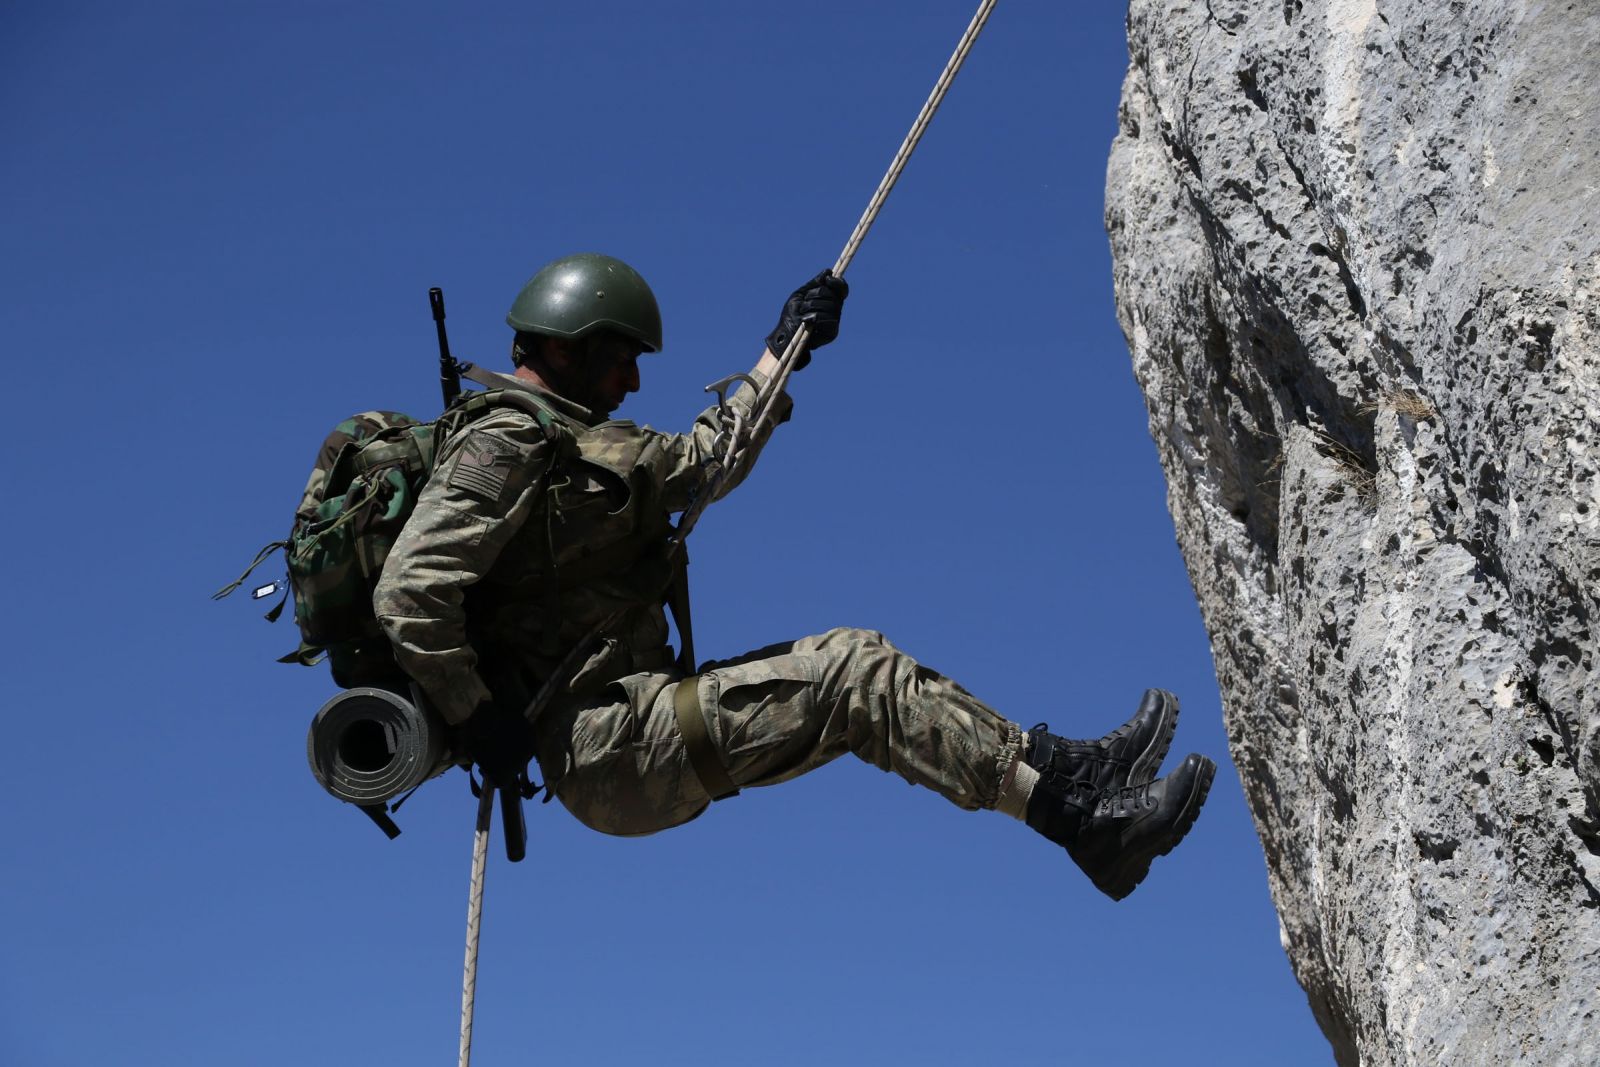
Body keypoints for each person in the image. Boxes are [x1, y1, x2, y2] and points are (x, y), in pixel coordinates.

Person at [372, 253, 1215, 900]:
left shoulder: (575, 447)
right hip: (604, 749)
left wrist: (782, 352)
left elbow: (706, 460)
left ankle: (1063, 772)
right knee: (853, 677)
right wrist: (477, 718)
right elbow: (411, 590)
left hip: (630, 722)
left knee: (859, 657)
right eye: (618, 357)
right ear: (563, 347)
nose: (632, 379)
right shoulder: (504, 443)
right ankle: (1082, 826)